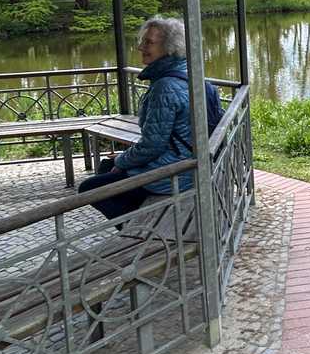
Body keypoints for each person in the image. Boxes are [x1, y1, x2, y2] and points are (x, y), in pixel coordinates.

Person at [79, 16, 222, 222]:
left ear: (169, 48)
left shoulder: (164, 86)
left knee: (88, 188)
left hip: (180, 173)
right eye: (142, 41)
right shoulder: (189, 72)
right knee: (106, 167)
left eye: (149, 42)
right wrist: (122, 160)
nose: (140, 47)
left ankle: (138, 229)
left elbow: (152, 146)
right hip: (190, 160)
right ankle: (141, 221)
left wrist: (121, 160)